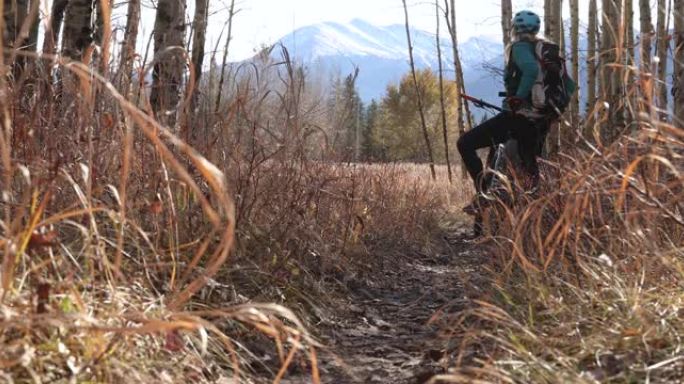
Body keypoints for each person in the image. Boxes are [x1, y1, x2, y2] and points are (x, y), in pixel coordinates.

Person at [457, 10, 557, 217]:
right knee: (530, 168)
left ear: (515, 29)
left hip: (517, 116)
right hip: (539, 119)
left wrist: (518, 97)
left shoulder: (520, 47)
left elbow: (529, 70)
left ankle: (485, 194)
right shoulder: (545, 51)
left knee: (465, 143)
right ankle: (537, 216)